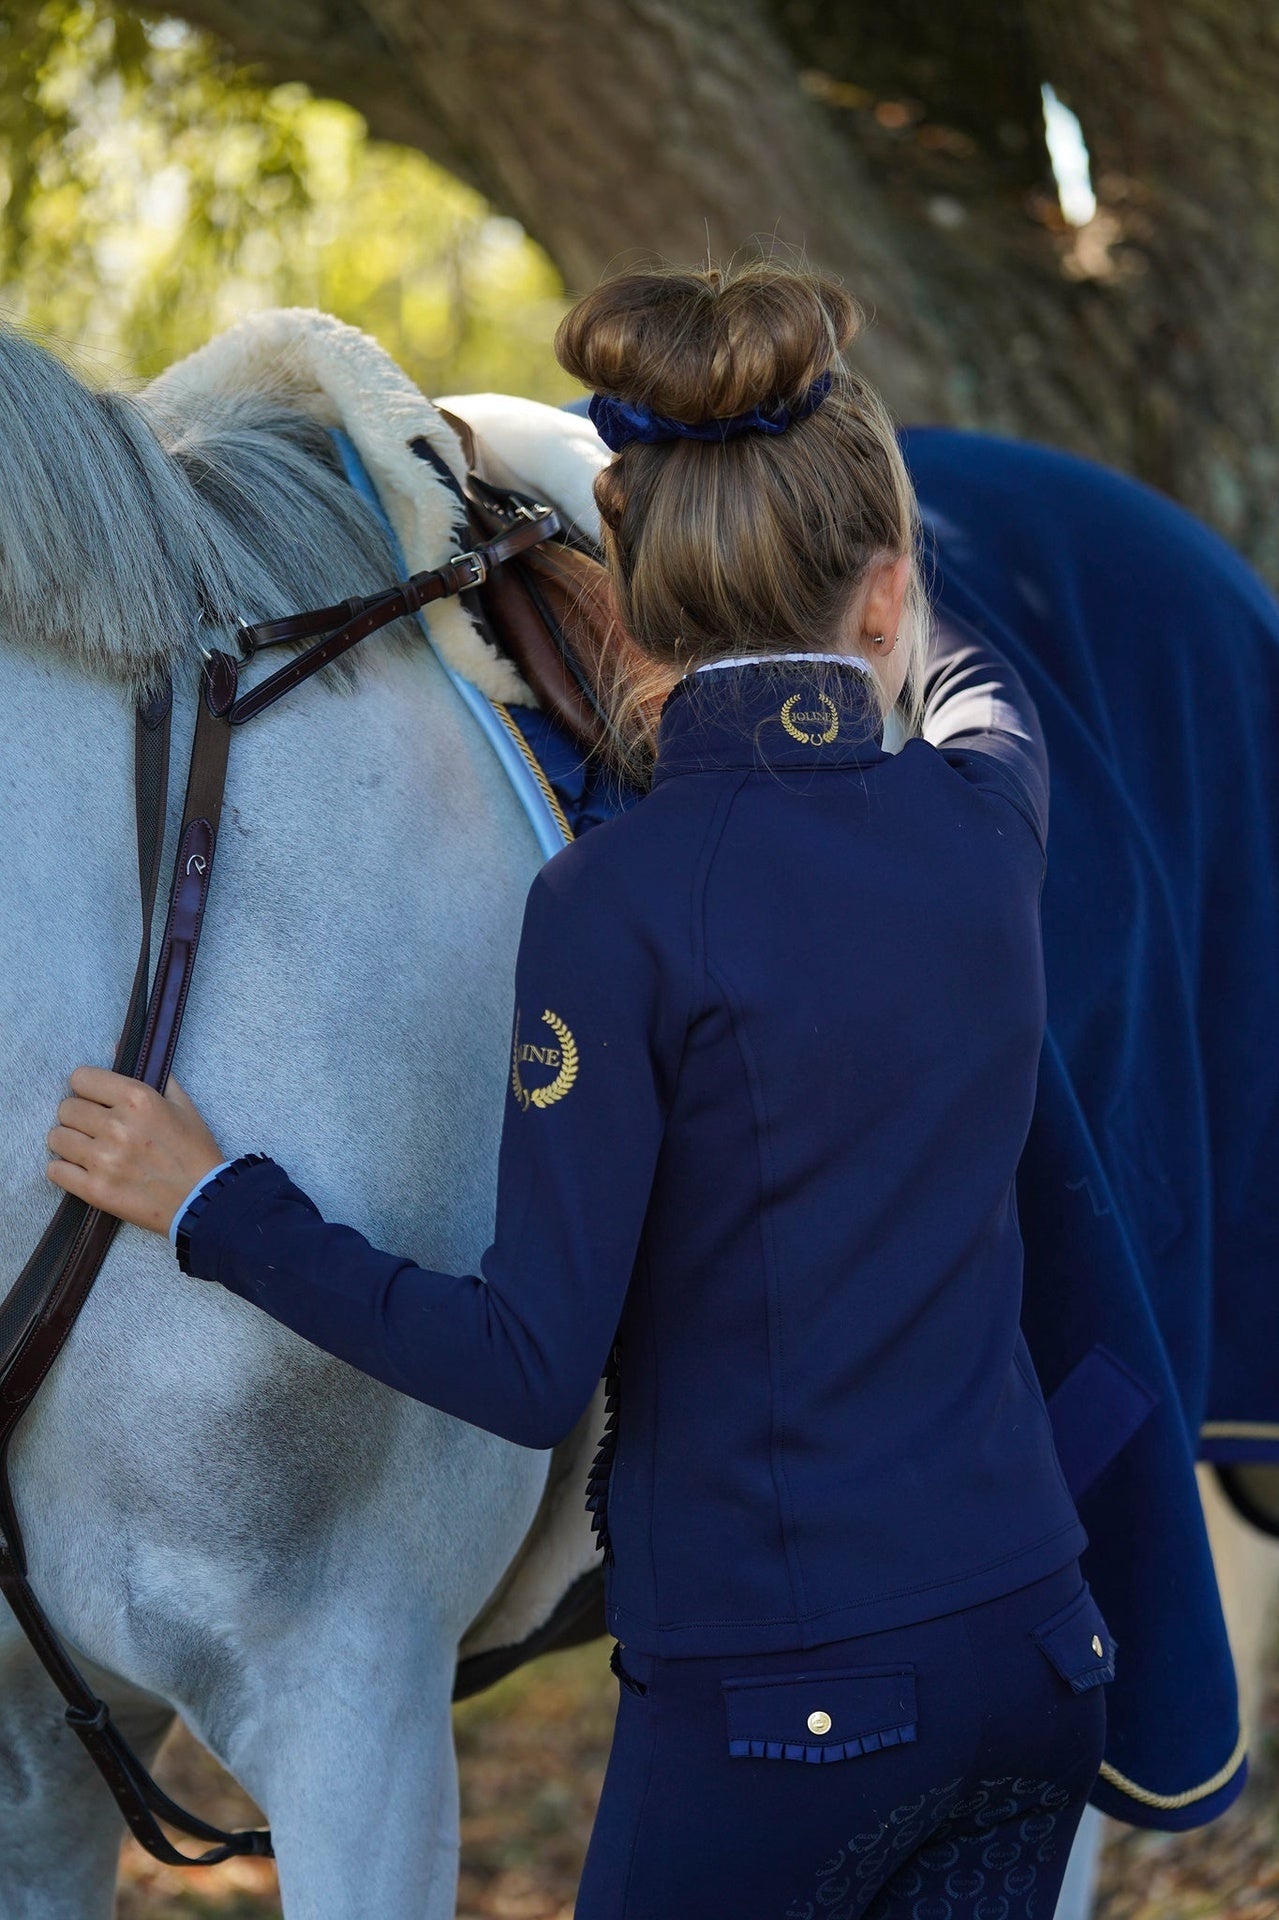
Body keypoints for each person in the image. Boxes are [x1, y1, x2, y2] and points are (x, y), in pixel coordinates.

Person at [46, 262, 1113, 1919]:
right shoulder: (988, 809)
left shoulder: (614, 911)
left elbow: (532, 1364)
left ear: (634, 605)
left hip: (782, 1716)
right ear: (887, 599)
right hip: (1035, 1657)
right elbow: (980, 683)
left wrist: (214, 1206)